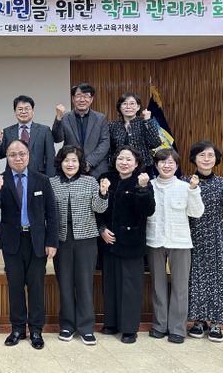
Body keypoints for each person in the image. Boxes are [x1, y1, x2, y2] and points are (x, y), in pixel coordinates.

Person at [0, 140, 58, 350]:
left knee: (36, 287)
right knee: (15, 287)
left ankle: (36, 330)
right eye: (12, 155)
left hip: (36, 241)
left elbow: (51, 214)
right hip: (12, 241)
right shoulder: (1, 179)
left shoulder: (42, 180)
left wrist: (51, 242)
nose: (17, 158)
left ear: (28, 155)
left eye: (21, 154)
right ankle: (17, 328)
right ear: (7, 157)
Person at [49, 145, 108, 346]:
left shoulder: (90, 181)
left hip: (86, 239)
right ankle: (67, 325)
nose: (70, 164)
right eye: (66, 160)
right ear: (61, 163)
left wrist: (103, 193)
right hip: (62, 239)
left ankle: (86, 327)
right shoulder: (52, 183)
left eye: (74, 160)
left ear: (80, 163)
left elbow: (99, 208)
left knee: (84, 283)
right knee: (65, 283)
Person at [97, 146, 155, 344]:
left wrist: (143, 189)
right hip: (109, 241)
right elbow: (97, 208)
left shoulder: (142, 180)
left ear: (136, 163)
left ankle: (129, 329)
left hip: (131, 242)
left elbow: (147, 211)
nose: (124, 162)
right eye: (120, 158)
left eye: (129, 159)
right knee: (110, 284)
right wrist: (102, 229)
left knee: (130, 287)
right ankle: (111, 323)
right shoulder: (105, 178)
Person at [185, 141, 223, 342]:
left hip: (217, 237)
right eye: (202, 155)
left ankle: (217, 323)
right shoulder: (186, 181)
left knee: (219, 279)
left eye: (210, 155)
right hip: (193, 236)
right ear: (194, 158)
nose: (206, 159)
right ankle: (199, 321)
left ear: (216, 159)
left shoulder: (221, 182)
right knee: (195, 278)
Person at [146, 149, 204, 344]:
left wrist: (194, 190)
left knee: (180, 286)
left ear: (177, 166)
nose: (166, 165)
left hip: (180, 242)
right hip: (154, 240)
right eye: (162, 162)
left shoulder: (185, 187)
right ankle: (159, 325)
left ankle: (178, 328)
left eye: (171, 162)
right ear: (156, 165)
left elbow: (196, 213)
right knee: (158, 285)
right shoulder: (148, 186)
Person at [52, 83, 110, 177]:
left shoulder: (101, 118)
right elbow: (57, 139)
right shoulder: (65, 117)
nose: (82, 99)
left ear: (91, 99)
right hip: (72, 168)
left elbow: (105, 143)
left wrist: (89, 162)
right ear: (73, 99)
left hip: (96, 169)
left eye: (86, 96)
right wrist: (58, 118)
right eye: (78, 96)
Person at [0, 94, 56, 177]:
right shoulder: (7, 131)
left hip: (38, 175)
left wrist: (50, 179)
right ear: (15, 112)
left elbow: (50, 157)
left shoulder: (44, 131)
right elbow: (0, 155)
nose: (23, 112)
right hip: (13, 176)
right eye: (20, 109)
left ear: (33, 111)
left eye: (27, 109)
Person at [108, 92, 161, 176]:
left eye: (132, 103)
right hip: (121, 168)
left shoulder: (145, 123)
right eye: (124, 104)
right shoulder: (112, 125)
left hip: (143, 168)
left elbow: (155, 143)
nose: (128, 107)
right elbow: (110, 149)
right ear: (120, 107)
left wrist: (147, 120)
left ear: (138, 107)